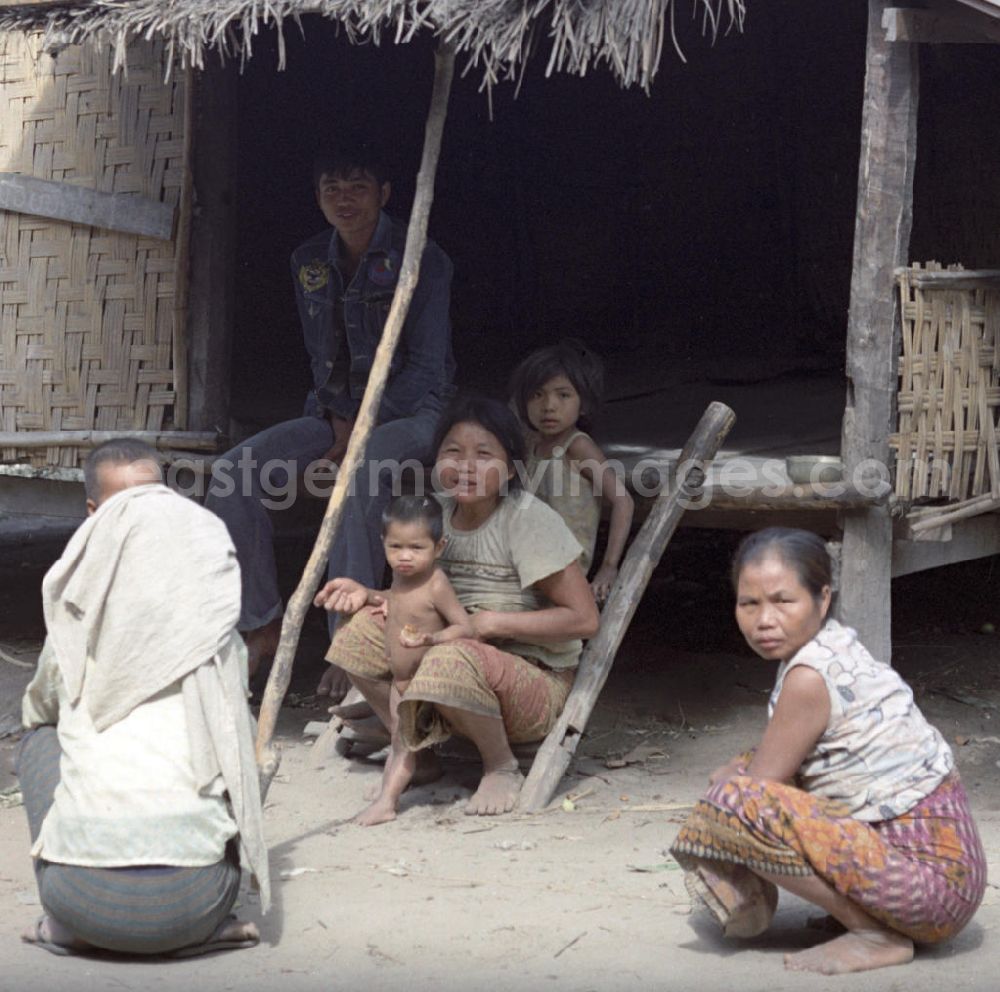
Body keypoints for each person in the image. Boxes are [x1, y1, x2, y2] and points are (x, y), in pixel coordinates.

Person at [669, 527, 985, 976]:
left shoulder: (809, 677)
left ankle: (876, 933)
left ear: (822, 597)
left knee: (732, 803)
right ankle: (863, 916)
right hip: (948, 884)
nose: (764, 620)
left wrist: (727, 782)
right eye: (749, 603)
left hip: (930, 892)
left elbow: (754, 793)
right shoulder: (833, 645)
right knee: (744, 773)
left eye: (783, 601)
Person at [205, 143, 455, 695]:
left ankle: (352, 644)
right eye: (331, 189)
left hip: (411, 410)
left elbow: (426, 368)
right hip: (332, 412)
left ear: (385, 194)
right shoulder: (309, 261)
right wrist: (337, 417)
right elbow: (321, 354)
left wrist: (359, 426)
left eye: (358, 187)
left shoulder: (423, 259)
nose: (345, 199)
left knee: (361, 472)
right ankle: (261, 623)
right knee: (230, 474)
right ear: (317, 197)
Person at [19, 439, 269, 957]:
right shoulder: (216, 633)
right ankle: (201, 931)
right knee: (230, 725)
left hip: (75, 901)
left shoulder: (75, 622)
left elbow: (37, 709)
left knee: (38, 738)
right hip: (200, 901)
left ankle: (70, 928)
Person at [316, 396, 600, 816]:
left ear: (509, 468)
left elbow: (584, 620)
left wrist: (490, 623)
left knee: (449, 656)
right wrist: (368, 595)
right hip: (448, 665)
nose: (466, 466)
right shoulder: (435, 513)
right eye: (453, 451)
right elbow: (419, 598)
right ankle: (419, 752)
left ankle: (500, 765)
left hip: (530, 683)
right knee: (355, 634)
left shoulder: (527, 520)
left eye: (484, 454)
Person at [335, 494, 473, 826]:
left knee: (403, 743)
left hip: (423, 683)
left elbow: (464, 626)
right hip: (400, 681)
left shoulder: (436, 584)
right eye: (396, 547)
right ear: (383, 543)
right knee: (400, 739)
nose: (405, 557)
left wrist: (433, 639)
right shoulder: (399, 578)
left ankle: (388, 801)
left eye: (416, 548)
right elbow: (398, 607)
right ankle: (398, 785)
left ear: (439, 547)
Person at [509, 339, 633, 603]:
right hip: (529, 561)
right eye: (536, 395)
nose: (549, 406)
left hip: (564, 569)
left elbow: (623, 501)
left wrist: (609, 567)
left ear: (584, 404)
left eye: (563, 395)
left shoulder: (577, 446)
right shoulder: (532, 446)